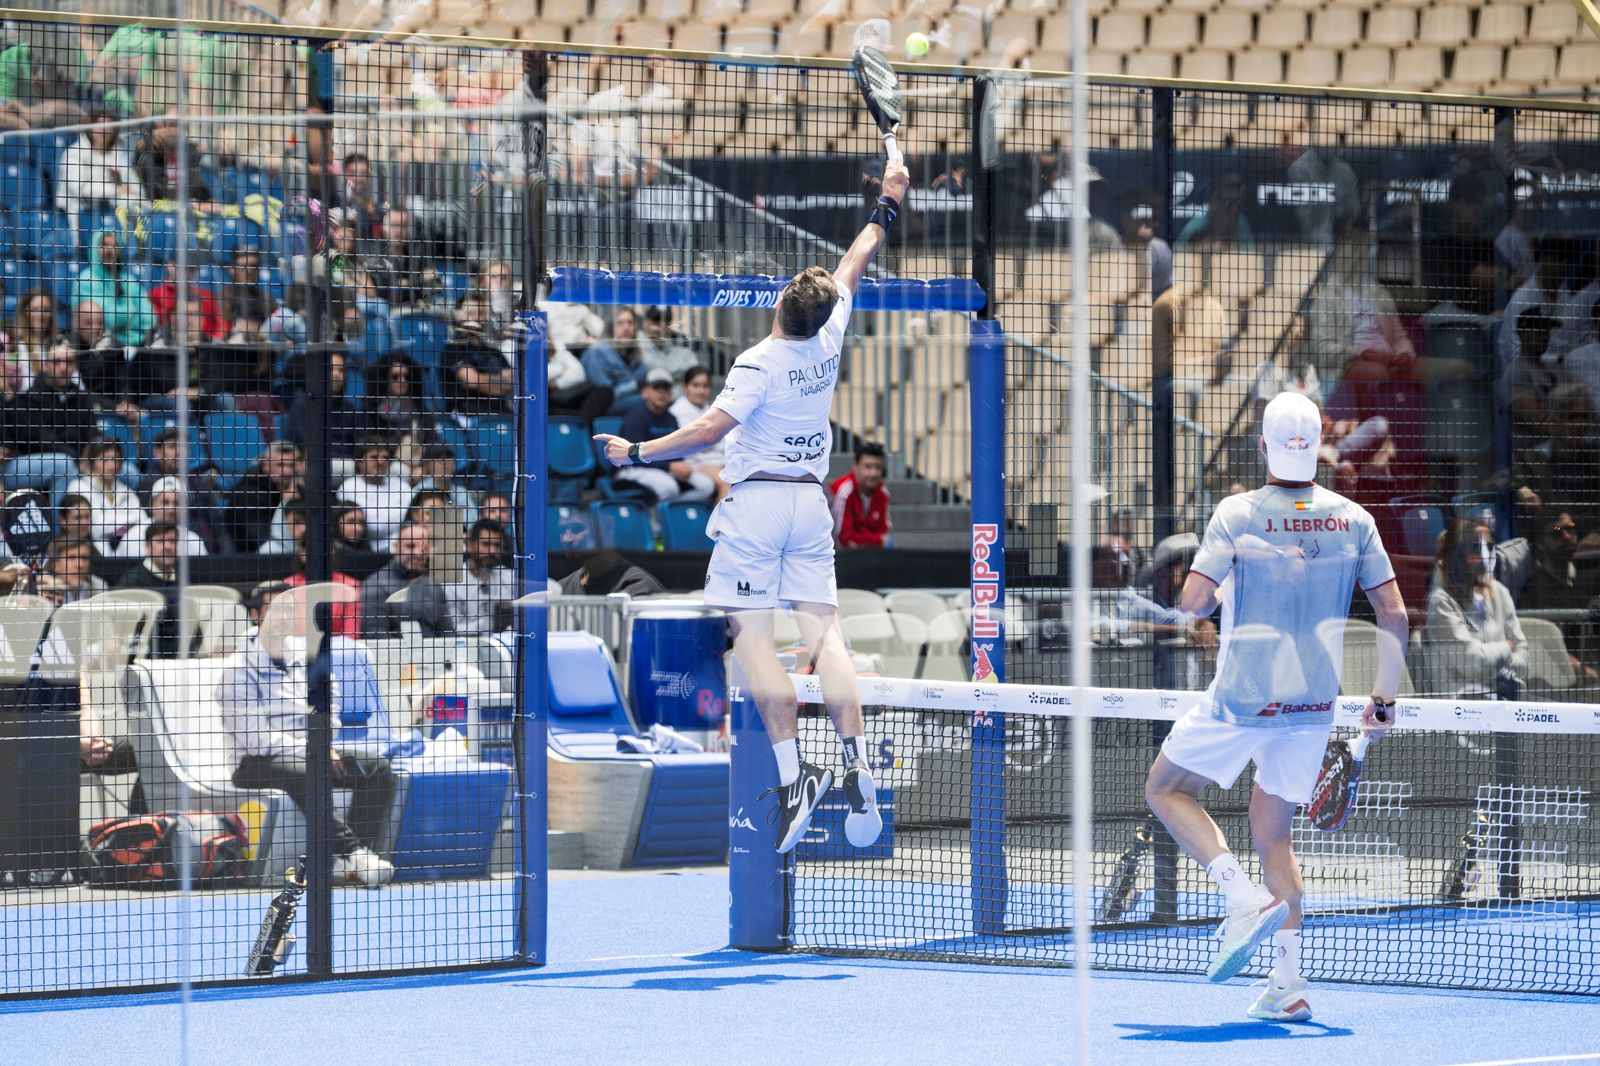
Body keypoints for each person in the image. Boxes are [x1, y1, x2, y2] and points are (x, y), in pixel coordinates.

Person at [595, 160, 913, 854]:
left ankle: (796, 774)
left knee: (753, 640)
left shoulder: (758, 361)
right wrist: (888, 202)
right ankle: (857, 762)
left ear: (779, 307)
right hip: (810, 504)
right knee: (827, 637)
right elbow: (858, 256)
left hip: (758, 504)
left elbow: (709, 431)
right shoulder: (831, 335)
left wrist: (636, 451)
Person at [1142, 391, 1406, 1022]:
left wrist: (1234, 565)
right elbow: (1394, 614)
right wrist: (1383, 700)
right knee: (1273, 833)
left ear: (1263, 446)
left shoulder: (1237, 513)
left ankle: (1239, 897)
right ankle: (1287, 987)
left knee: (1165, 789)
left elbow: (1192, 605)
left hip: (1243, 697)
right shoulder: (1355, 519)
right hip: (1312, 705)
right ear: (1317, 445)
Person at [216, 596, 396, 887]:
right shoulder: (236, 669)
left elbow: (330, 702)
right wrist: (313, 750)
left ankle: (347, 862)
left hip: (311, 752)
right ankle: (353, 853)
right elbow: (256, 741)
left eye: (289, 609)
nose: (284, 616)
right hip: (252, 764)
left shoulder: (306, 654)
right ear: (255, 615)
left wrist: (322, 743)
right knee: (308, 772)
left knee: (377, 768)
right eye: (276, 609)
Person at [1425, 517, 1529, 699]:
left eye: (1489, 546)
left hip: (1506, 699)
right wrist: (1506, 648)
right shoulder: (1441, 602)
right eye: (1475, 547)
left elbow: (1524, 660)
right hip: (1462, 706)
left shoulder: (1500, 592)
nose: (1484, 555)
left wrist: (1489, 661)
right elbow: (1471, 664)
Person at [1518, 505, 1599, 682]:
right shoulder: (1537, 591)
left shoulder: (1584, 579)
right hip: (1572, 682)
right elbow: (1545, 647)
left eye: (1570, 529)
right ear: (1540, 544)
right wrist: (1585, 671)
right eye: (1556, 533)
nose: (1567, 536)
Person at [614, 368, 716, 503]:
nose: (661, 392)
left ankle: (672, 511)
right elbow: (633, 456)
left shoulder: (671, 418)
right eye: (656, 387)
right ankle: (655, 515)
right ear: (645, 391)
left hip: (663, 469)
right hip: (632, 469)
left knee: (706, 486)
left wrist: (679, 465)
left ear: (670, 393)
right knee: (669, 487)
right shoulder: (635, 417)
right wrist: (669, 467)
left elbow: (678, 448)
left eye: (666, 388)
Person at [360, 522, 454, 637]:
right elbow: (375, 637)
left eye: (424, 548)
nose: (418, 553)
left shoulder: (433, 583)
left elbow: (448, 632)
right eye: (410, 546)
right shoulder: (376, 585)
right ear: (396, 547)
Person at [64, 437, 149, 558]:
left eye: (115, 460)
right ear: (92, 462)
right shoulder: (79, 486)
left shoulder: (126, 490)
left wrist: (113, 523)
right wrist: (130, 521)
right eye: (104, 460)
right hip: (94, 553)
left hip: (128, 551)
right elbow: (95, 527)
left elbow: (144, 522)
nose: (111, 466)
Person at [74, 228, 155, 347]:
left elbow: (149, 318)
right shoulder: (86, 280)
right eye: (104, 245)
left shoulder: (128, 280)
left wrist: (124, 319)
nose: (109, 250)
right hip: (101, 345)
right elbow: (110, 319)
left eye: (114, 246)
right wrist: (133, 312)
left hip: (138, 344)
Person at [112, 521, 182, 657]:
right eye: (160, 541)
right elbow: (122, 629)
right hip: (143, 658)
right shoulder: (131, 582)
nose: (168, 546)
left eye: (173, 541)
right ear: (147, 546)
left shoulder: (181, 581)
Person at [337, 435, 411, 552]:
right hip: (360, 551)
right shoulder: (348, 488)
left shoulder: (403, 487)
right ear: (360, 462)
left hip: (400, 550)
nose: (381, 461)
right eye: (374, 457)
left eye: (385, 458)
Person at [670, 365, 728, 500]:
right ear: (685, 387)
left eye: (705, 386)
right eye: (695, 385)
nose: (701, 390)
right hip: (692, 464)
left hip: (717, 462)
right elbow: (695, 447)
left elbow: (722, 445)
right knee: (727, 482)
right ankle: (719, 515)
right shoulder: (675, 412)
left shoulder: (712, 410)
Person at [446, 519, 515, 634]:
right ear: (470, 544)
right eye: (486, 544)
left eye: (497, 545)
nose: (492, 551)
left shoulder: (506, 575)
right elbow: (452, 628)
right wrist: (488, 623)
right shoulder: (452, 582)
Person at [828, 441, 892, 549]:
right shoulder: (845, 491)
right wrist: (877, 540)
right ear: (855, 467)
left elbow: (886, 537)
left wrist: (860, 541)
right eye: (868, 467)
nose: (873, 473)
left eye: (878, 467)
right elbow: (843, 539)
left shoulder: (883, 492)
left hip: (868, 554)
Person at [556, 547, 664, 597]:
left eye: (577, 529)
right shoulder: (561, 589)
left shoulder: (638, 586)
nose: (567, 538)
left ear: (607, 527)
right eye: (563, 531)